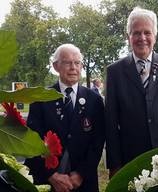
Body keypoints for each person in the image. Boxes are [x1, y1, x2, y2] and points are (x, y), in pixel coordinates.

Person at [105, 7, 158, 178]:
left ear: (155, 36)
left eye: (147, 32)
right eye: (136, 33)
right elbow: (111, 123)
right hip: (132, 161)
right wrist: (114, 165)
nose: (142, 38)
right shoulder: (114, 71)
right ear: (128, 36)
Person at [25, 44, 105, 192]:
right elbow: (32, 140)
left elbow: (98, 141)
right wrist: (51, 175)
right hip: (47, 181)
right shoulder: (41, 98)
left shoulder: (94, 100)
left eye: (77, 63)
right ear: (56, 66)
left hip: (84, 182)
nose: (73, 67)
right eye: (67, 62)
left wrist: (81, 173)